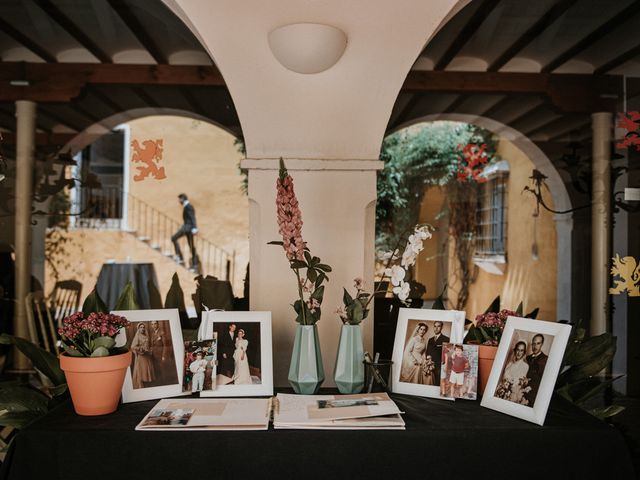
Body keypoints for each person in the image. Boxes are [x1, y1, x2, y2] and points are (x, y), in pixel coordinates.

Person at [171, 193, 198, 271]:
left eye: (180, 199)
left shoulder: (188, 206)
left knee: (174, 238)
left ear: (183, 198)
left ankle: (180, 256)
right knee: (191, 246)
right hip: (187, 227)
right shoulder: (186, 206)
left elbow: (192, 217)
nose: (179, 201)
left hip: (188, 228)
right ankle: (194, 264)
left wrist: (194, 228)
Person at [525, 334, 548, 407]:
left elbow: (543, 379)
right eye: (533, 344)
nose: (535, 346)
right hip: (523, 390)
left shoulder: (545, 359)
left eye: (538, 343)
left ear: (542, 344)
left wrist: (531, 386)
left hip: (534, 393)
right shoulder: (527, 358)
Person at [130, 323, 155, 389]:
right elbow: (133, 346)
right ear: (138, 328)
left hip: (147, 356)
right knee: (141, 372)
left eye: (143, 327)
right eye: (141, 327)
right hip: (141, 357)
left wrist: (150, 349)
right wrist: (141, 349)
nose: (142, 328)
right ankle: (141, 386)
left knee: (147, 372)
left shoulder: (146, 336)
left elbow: (147, 346)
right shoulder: (137, 336)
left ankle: (147, 387)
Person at [425, 321, 449, 385]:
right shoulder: (430, 339)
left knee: (438, 383)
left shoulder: (446, 339)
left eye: (438, 326)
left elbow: (446, 354)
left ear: (442, 327)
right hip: (430, 366)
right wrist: (428, 362)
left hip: (439, 366)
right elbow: (427, 352)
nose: (436, 328)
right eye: (435, 326)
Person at [150, 321, 166, 386]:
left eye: (155, 324)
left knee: (162, 369)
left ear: (157, 324)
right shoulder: (152, 333)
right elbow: (152, 344)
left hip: (160, 354)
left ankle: (163, 383)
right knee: (156, 369)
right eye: (152, 324)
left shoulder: (162, 332)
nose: (154, 325)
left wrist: (163, 355)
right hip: (154, 355)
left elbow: (165, 345)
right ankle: (158, 383)